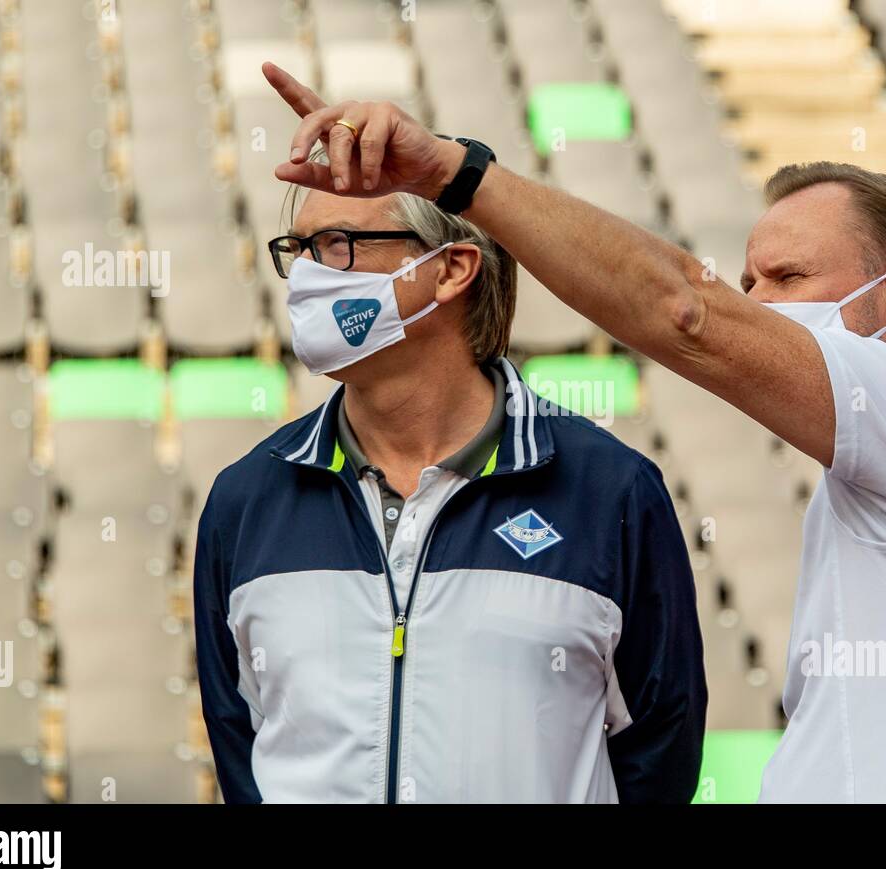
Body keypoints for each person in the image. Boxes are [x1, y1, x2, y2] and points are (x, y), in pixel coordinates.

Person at [259, 62, 886, 803]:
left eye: (786, 277)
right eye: (748, 280)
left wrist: (455, 170)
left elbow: (687, 314)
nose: (758, 306)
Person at [192, 182, 707, 803]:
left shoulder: (612, 493)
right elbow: (239, 742)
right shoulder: (246, 499)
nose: (304, 275)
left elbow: (661, 748)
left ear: (451, 270)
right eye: (297, 249)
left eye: (335, 245)